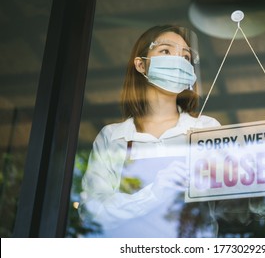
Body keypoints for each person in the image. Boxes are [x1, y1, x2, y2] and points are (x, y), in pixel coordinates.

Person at [78, 25, 220, 237]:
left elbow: (228, 200)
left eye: (186, 57)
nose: (179, 61)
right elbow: (92, 211)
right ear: (141, 64)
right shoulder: (113, 137)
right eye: (166, 51)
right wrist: (155, 193)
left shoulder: (206, 129)